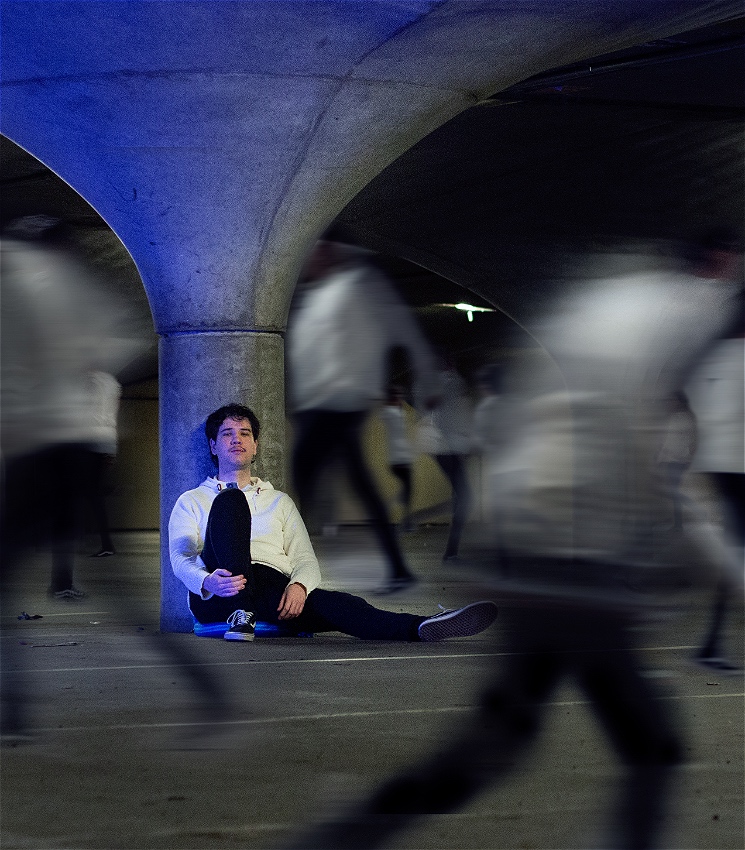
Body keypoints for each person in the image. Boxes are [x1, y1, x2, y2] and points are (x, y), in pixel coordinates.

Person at [281, 239, 742, 850]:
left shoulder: (609, 307)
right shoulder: (682, 318)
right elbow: (655, 470)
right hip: (578, 566)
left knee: (496, 743)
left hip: (534, 556)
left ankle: (347, 834)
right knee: (649, 745)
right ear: (719, 265)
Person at [168, 404, 498, 643]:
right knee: (231, 500)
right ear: (213, 446)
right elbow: (180, 557)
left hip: (270, 592)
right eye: (227, 434)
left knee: (341, 605)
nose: (237, 439)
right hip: (218, 596)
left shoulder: (280, 501)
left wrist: (299, 587)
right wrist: (206, 581)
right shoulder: (192, 500)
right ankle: (240, 614)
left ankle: (421, 627)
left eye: (245, 433)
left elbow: (304, 558)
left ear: (255, 446)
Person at [286, 227, 439, 593]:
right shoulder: (322, 294)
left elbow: (406, 331)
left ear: (333, 253)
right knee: (356, 485)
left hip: (339, 403)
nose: (309, 262)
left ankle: (289, 568)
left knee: (303, 476)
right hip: (321, 406)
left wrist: (429, 381)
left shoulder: (361, 284)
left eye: (317, 254)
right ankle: (397, 568)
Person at [379, 385, 415, 531]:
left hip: (398, 458)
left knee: (407, 491)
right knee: (407, 491)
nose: (401, 399)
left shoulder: (390, 412)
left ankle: (402, 519)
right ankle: (401, 519)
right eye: (399, 396)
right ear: (394, 398)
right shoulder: (394, 413)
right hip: (400, 459)